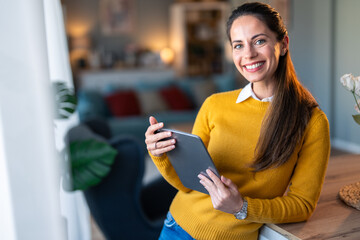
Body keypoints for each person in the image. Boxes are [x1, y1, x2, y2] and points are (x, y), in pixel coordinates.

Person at [145, 2, 330, 240]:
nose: (248, 54)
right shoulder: (214, 104)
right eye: (238, 45)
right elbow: (188, 184)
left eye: (259, 41)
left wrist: (241, 207)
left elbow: (302, 206)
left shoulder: (311, 121)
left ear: (283, 44)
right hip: (177, 226)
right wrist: (159, 154)